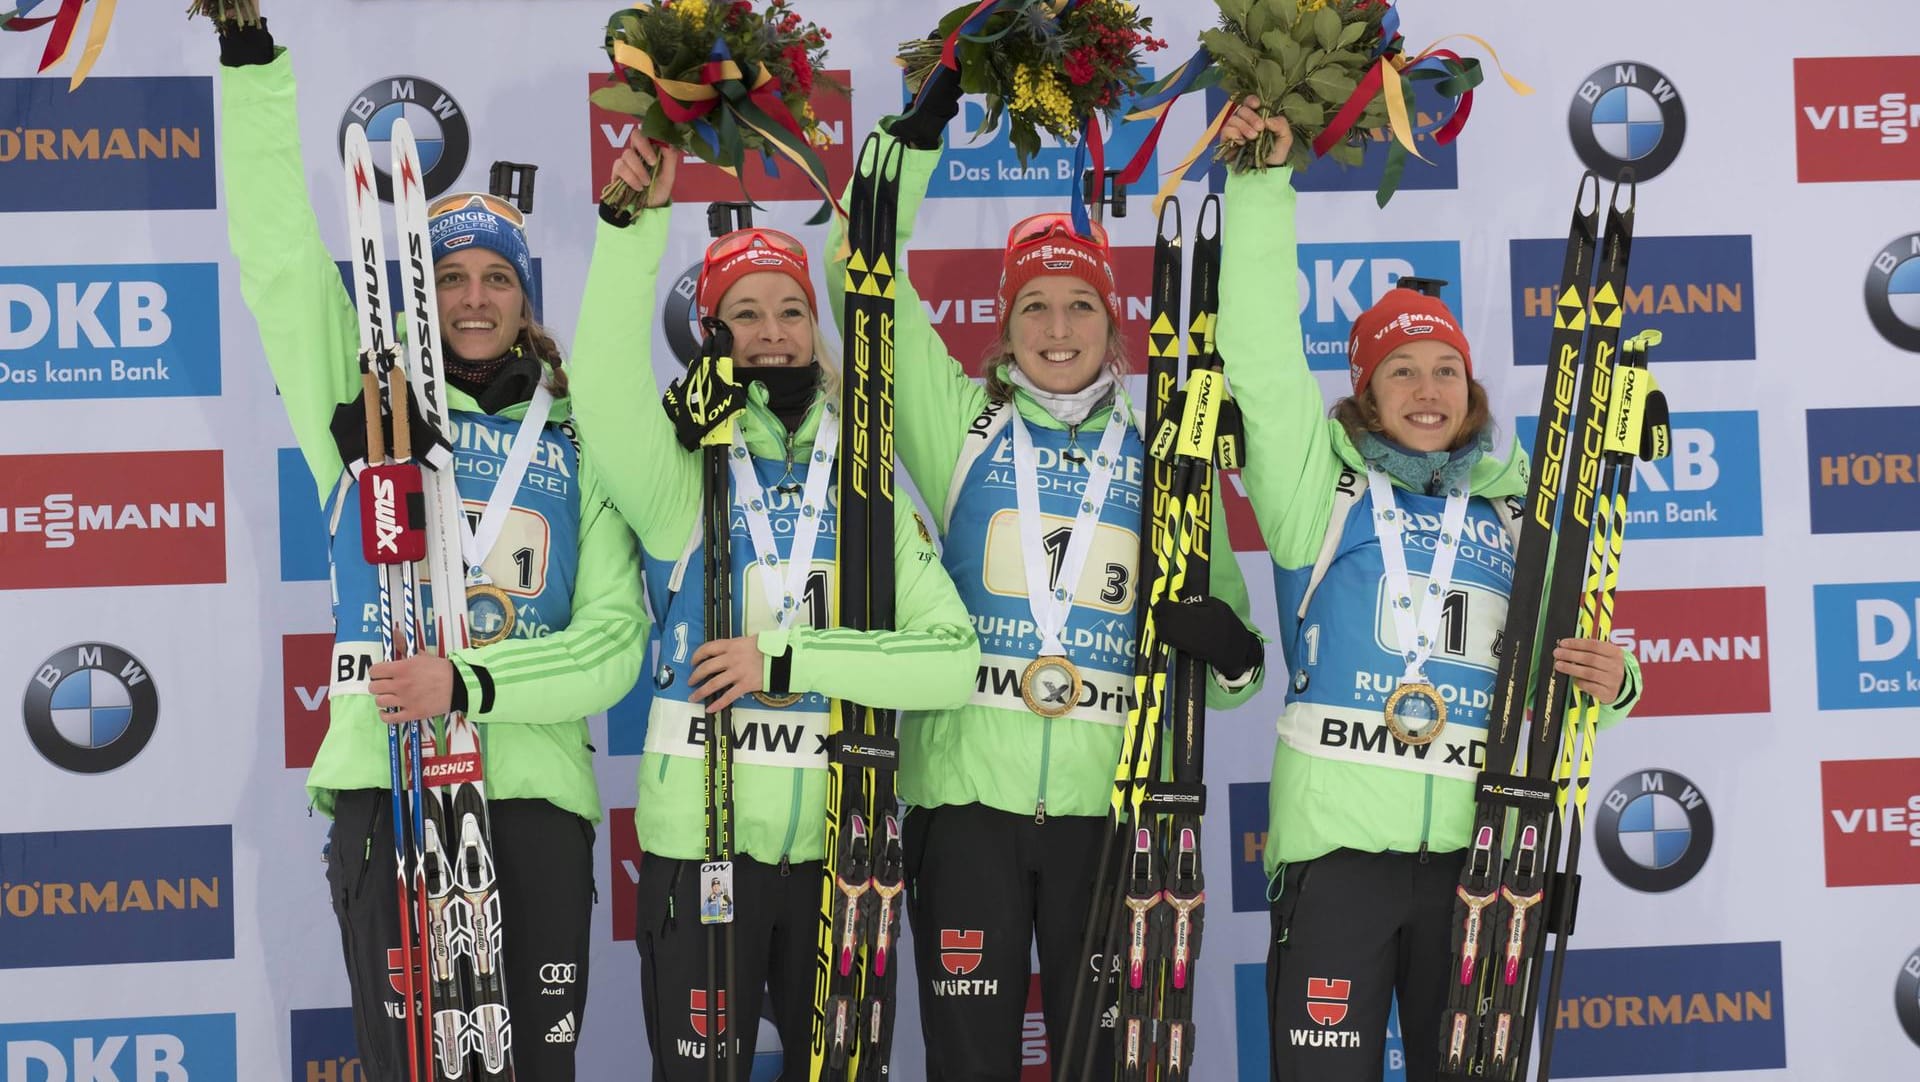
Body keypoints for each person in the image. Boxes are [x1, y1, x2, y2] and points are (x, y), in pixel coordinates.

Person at [209, 9, 647, 1076]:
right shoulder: (366, 410)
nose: (475, 297)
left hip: (536, 797)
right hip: (390, 783)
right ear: (418, 295)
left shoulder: (578, 438)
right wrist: (250, 61)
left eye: (497, 278)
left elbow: (615, 642)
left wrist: (476, 684)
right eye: (450, 278)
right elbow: (276, 260)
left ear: (525, 295)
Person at [832, 79, 1270, 1080]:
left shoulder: (1165, 451)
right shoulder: (958, 422)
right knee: (970, 1058)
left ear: (1114, 326)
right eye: (1035, 305)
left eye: (1080, 305)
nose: (1058, 328)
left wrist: (1229, 646)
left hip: (1114, 809)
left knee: (1110, 1060)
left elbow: (1237, 654)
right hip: (965, 803)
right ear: (1004, 321)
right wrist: (918, 137)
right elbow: (856, 272)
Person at [1213, 101, 1643, 1082]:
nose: (1426, 388)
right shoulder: (1315, 492)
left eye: (1446, 368)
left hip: (1483, 853)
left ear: (1472, 390)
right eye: (1400, 369)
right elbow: (1265, 357)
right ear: (1364, 391)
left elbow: (1578, 670)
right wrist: (1261, 183)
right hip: (1337, 858)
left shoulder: (1517, 509)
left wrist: (1615, 681)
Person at [566, 136, 981, 1080]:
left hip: (846, 855)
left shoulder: (863, 483)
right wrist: (632, 228)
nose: (774, 331)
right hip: (701, 848)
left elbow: (951, 659)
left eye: (792, 309)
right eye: (743, 313)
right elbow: (598, 385)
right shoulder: (682, 484)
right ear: (710, 332)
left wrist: (788, 662)